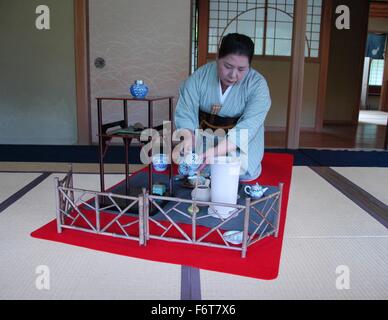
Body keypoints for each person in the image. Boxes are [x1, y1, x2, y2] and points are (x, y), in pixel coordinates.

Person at [174, 33, 271, 181]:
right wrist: (189, 137)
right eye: (228, 66)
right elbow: (185, 112)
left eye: (241, 69)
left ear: (249, 66)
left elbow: (250, 125)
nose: (233, 75)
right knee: (189, 163)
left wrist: (217, 152)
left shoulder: (257, 85)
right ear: (217, 57)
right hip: (205, 138)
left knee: (239, 170)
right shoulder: (199, 77)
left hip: (238, 142)